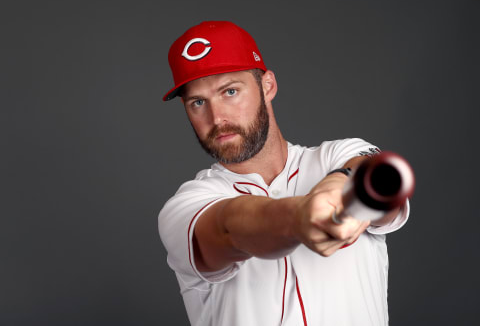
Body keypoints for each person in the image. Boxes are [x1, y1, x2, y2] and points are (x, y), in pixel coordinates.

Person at [158, 21, 409, 326]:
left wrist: (341, 183)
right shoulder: (186, 206)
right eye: (198, 102)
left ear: (267, 86)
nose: (216, 117)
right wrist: (298, 218)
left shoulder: (336, 156)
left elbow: (377, 177)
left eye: (230, 91)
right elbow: (229, 227)